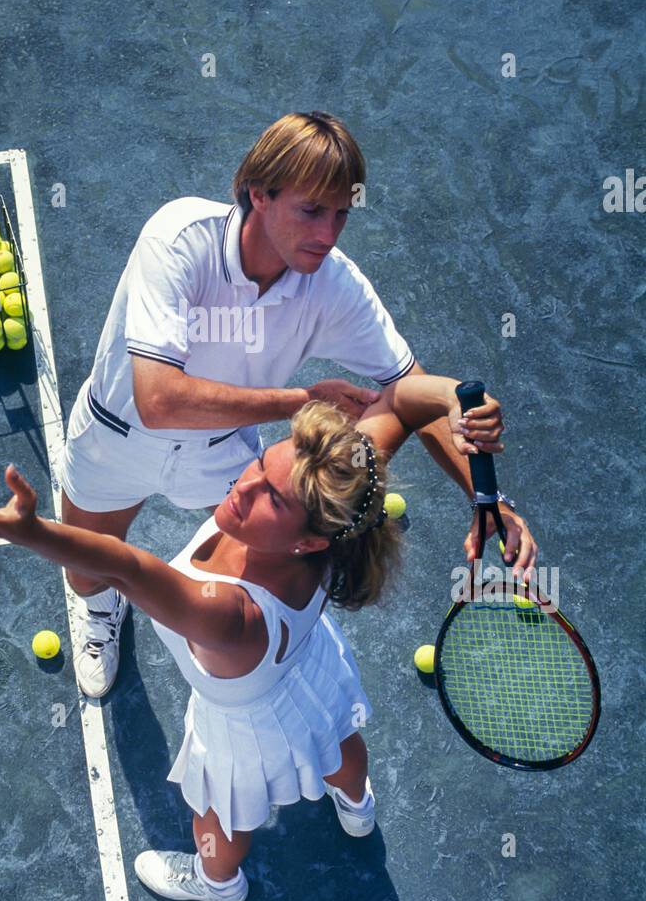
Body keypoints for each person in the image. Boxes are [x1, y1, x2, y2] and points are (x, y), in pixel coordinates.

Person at [0, 371, 514, 901]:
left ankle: (218, 882)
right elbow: (406, 401)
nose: (244, 487)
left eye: (271, 497)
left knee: (217, 817)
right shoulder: (342, 501)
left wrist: (29, 531)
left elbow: (124, 565)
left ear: (309, 542)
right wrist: (460, 406)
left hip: (242, 731)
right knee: (337, 738)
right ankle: (357, 806)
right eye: (261, 467)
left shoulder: (228, 616)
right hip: (311, 671)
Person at [57, 111, 537, 699]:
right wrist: (299, 401)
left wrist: (489, 498)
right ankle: (102, 614)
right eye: (312, 210)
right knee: (88, 571)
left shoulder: (334, 286)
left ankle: (283, 680)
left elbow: (413, 387)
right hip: (118, 439)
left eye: (342, 215)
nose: (329, 234)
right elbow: (157, 400)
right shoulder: (178, 239)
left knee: (285, 562)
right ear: (260, 193)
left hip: (223, 457)